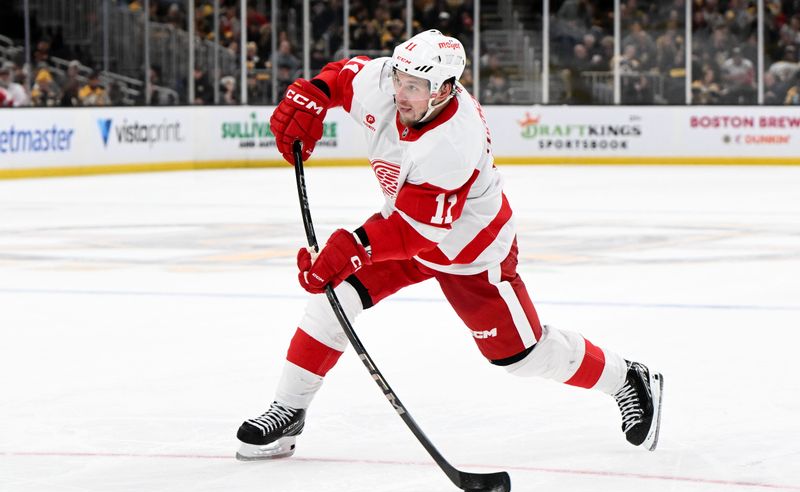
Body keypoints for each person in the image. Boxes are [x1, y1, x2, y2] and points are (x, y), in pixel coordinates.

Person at [236, 30, 664, 460]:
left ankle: (625, 378)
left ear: (443, 90)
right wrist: (309, 97)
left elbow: (418, 232)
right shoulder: (385, 81)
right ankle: (288, 411)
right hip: (404, 228)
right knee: (333, 300)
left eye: (414, 87)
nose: (400, 93)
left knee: (519, 356)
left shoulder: (453, 141)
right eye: (400, 79)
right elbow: (340, 78)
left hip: (469, 249)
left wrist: (352, 247)